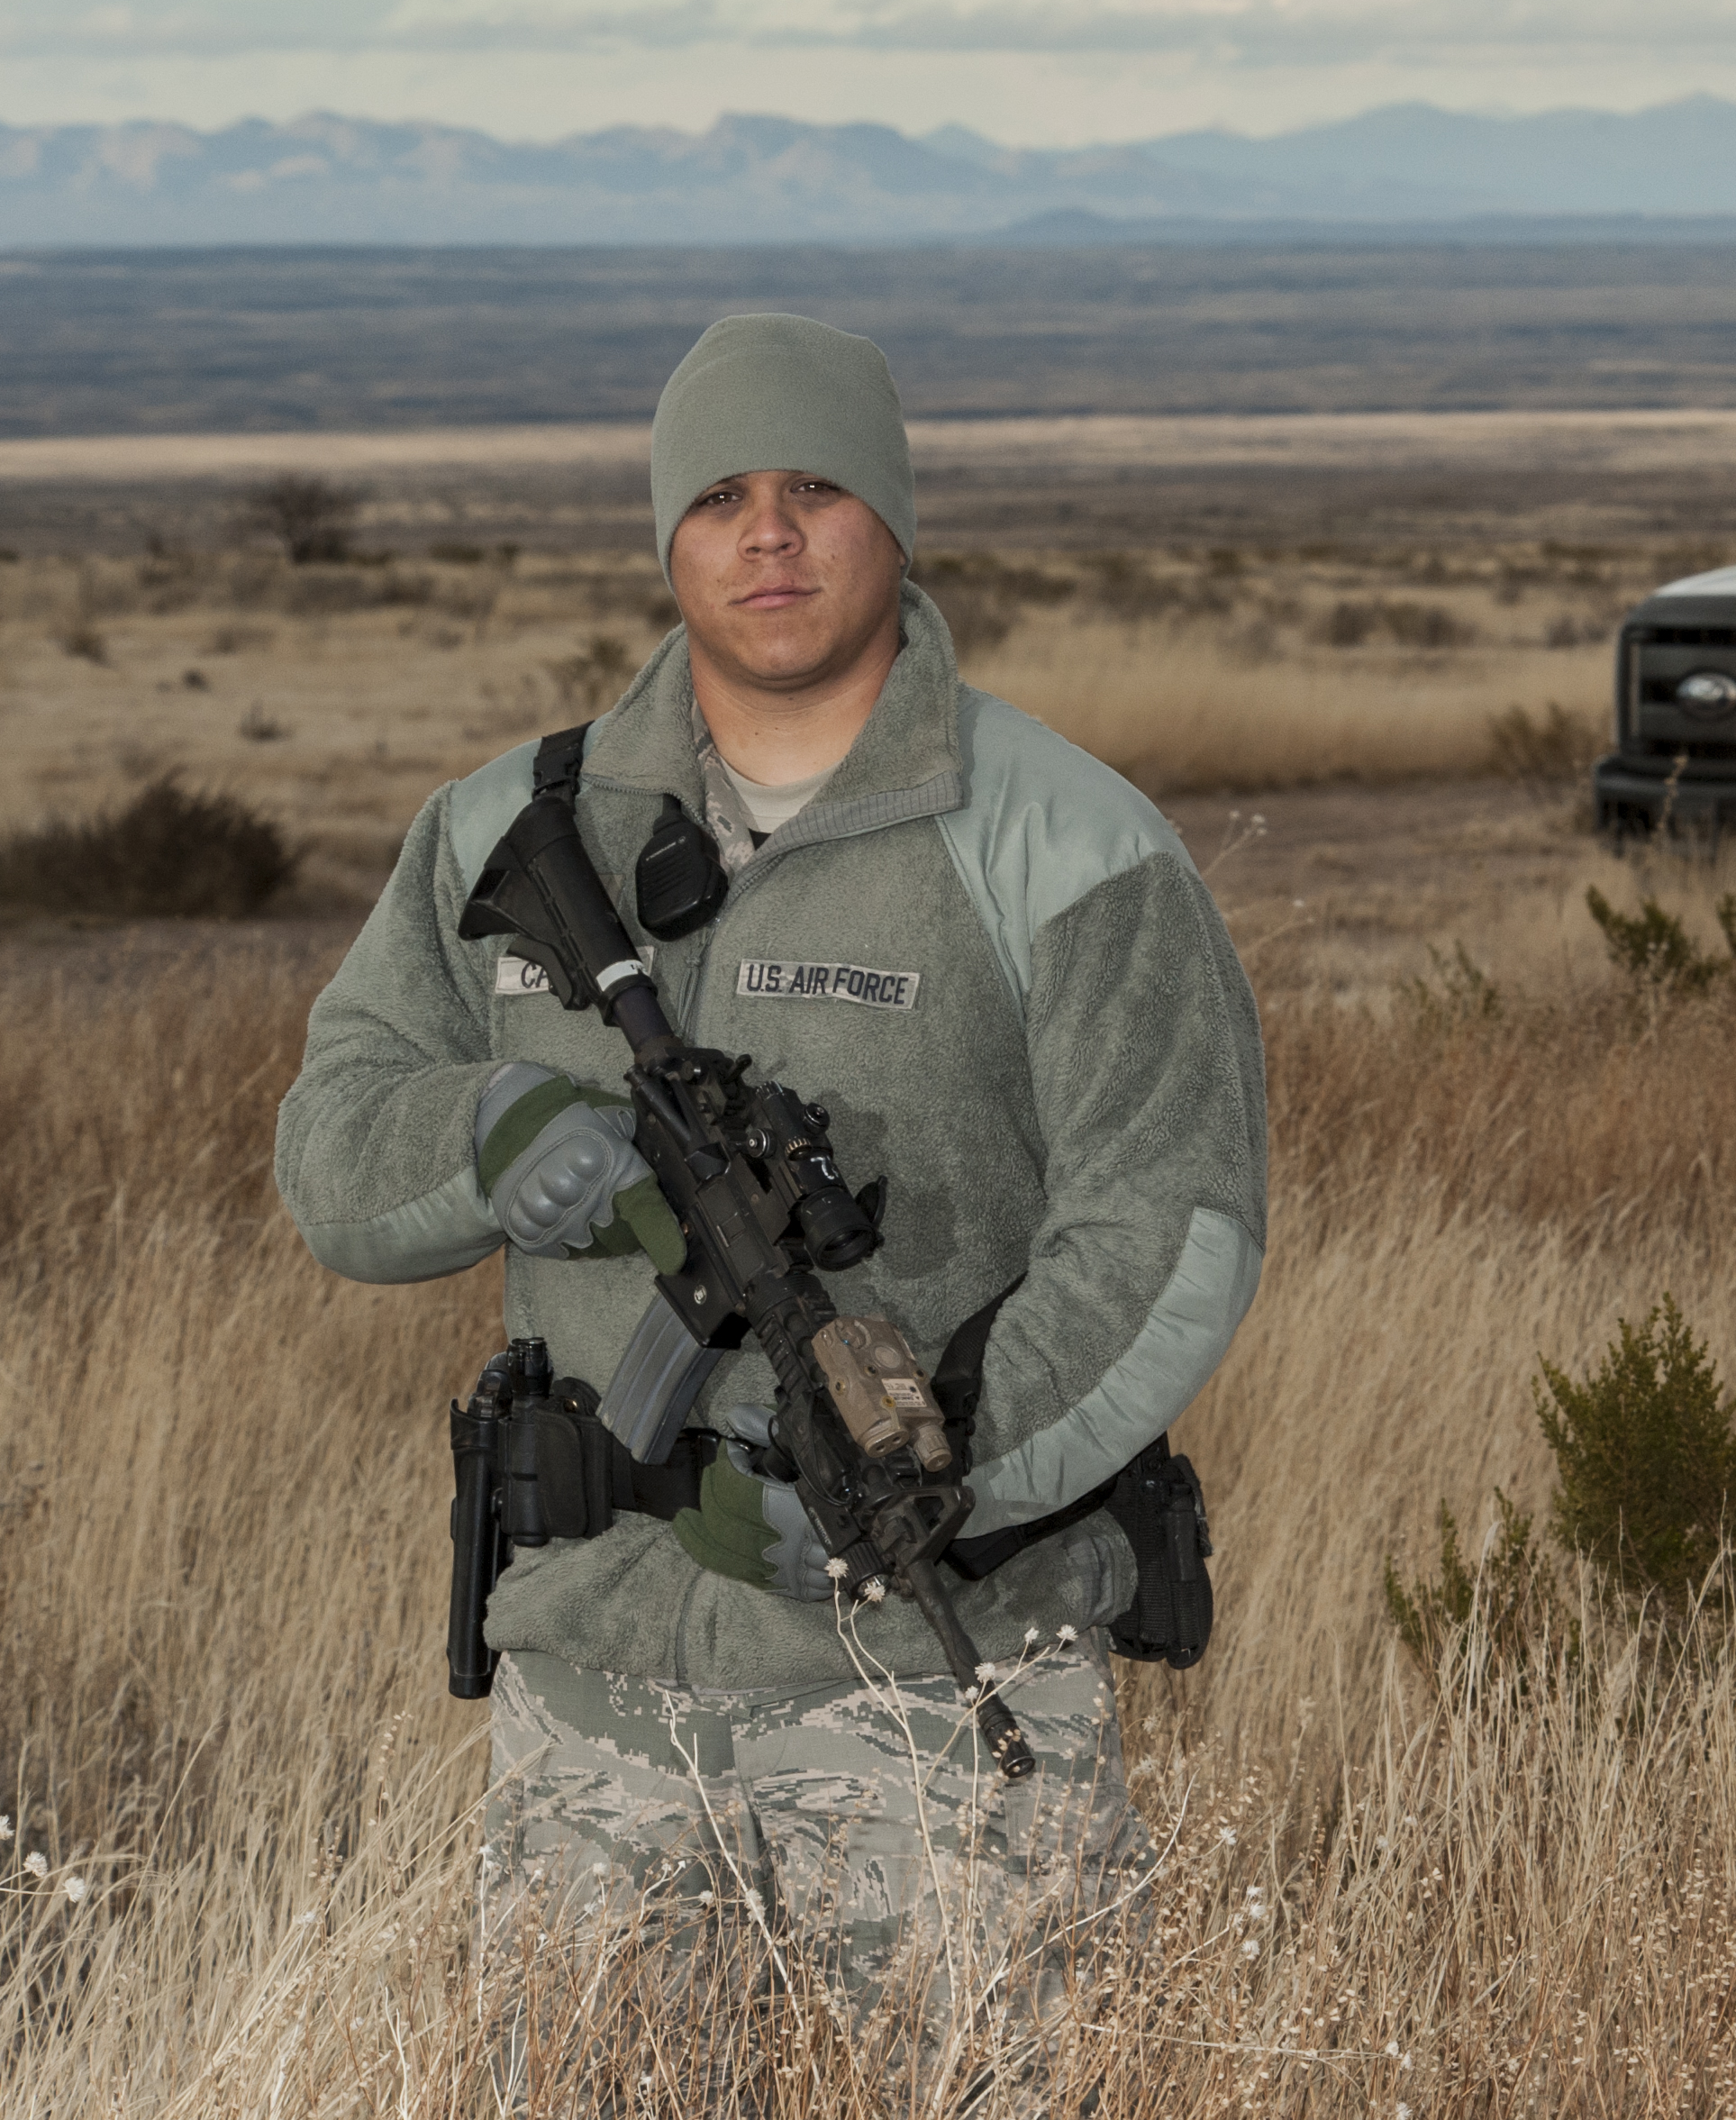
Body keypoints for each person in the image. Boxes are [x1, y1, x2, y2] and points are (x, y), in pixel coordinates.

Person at [274, 312, 1265, 2016]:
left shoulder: (1065, 839)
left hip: (940, 1715)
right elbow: (330, 1144)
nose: (770, 532)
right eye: (721, 493)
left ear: (890, 514)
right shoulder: (501, 830)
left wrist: (916, 1483)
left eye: (815, 485)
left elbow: (1168, 1232)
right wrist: (484, 1134)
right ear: (668, 533)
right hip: (594, 1707)